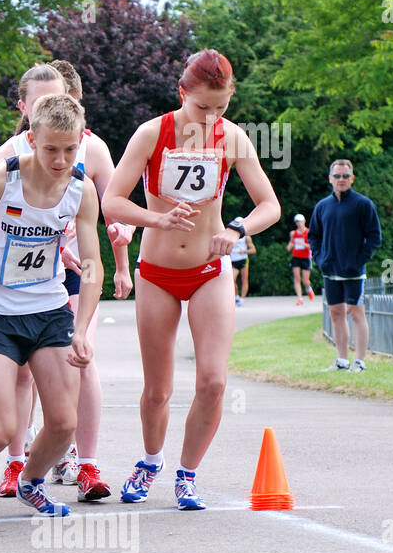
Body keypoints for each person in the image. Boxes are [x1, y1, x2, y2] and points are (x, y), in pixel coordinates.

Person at [103, 49, 281, 509]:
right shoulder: (151, 133)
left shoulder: (233, 138)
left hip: (209, 272)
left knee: (213, 382)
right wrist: (156, 220)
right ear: (182, 93)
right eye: (203, 107)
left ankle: (187, 473)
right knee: (158, 388)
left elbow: (269, 205)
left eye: (221, 108)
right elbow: (112, 201)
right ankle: (149, 460)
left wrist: (235, 229)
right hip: (157, 274)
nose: (211, 117)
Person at [0, 92, 104, 520]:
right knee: (0, 430)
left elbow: (91, 266)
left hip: (49, 312)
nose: (60, 159)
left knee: (64, 424)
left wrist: (82, 327)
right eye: (51, 148)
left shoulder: (81, 191)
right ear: (32, 139)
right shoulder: (1, 179)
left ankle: (31, 482)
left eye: (70, 150)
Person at [308, 159, 382, 372]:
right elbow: (314, 236)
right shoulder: (322, 206)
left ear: (352, 178)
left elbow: (374, 236)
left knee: (356, 312)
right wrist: (320, 258)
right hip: (330, 270)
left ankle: (359, 361)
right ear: (330, 178)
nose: (341, 180)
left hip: (354, 272)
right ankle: (342, 360)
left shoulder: (363, 204)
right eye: (337, 176)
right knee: (336, 313)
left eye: (345, 176)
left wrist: (359, 260)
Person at [287, 213, 315, 304]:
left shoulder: (308, 232)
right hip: (296, 257)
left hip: (306, 258)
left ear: (304, 221)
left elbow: (312, 246)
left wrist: (304, 245)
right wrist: (290, 246)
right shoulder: (293, 233)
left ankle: (308, 289)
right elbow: (291, 242)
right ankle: (300, 298)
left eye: (300, 221)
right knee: (296, 278)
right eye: (297, 222)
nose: (299, 223)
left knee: (305, 280)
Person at [229, 232, 257, 306]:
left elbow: (253, 250)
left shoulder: (246, 237)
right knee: (232, 279)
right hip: (234, 261)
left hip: (243, 260)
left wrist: (244, 251)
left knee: (244, 279)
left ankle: (242, 299)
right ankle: (236, 296)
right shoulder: (231, 236)